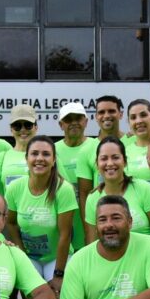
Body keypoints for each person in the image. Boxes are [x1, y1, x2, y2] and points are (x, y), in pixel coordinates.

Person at [83, 137, 150, 263]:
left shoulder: (143, 189)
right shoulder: (92, 199)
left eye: (115, 157)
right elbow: (92, 243)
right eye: (104, 158)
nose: (110, 163)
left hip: (148, 262)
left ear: (124, 161)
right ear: (97, 164)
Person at [5, 136, 77, 287]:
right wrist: (22, 254)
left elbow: (65, 234)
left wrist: (59, 274)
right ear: (26, 158)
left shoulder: (64, 190)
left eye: (46, 154)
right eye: (34, 153)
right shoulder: (14, 188)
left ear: (54, 160)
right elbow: (10, 223)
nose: (40, 158)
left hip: (56, 258)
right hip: (29, 256)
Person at [54, 102, 99, 252]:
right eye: (68, 119)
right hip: (61, 227)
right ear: (61, 125)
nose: (73, 123)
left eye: (78, 118)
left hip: (92, 224)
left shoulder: (97, 146)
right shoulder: (52, 150)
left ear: (86, 121)